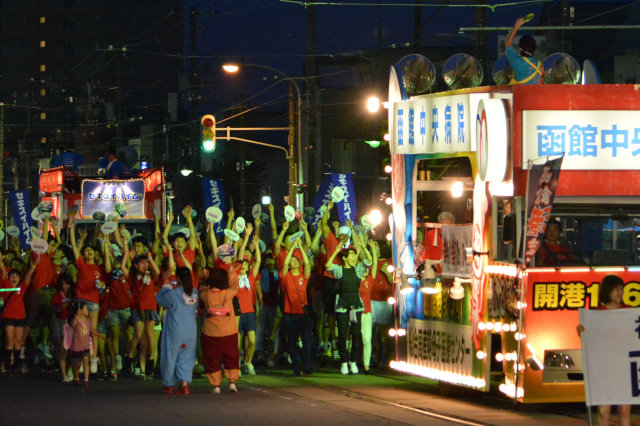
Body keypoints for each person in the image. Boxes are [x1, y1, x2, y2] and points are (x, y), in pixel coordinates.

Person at [577, 275, 631, 426]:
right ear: (608, 291)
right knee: (603, 410)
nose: (620, 293)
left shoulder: (629, 312)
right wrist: (580, 330)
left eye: (622, 290)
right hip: (603, 367)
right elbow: (589, 337)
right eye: (617, 290)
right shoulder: (596, 314)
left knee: (624, 409)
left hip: (624, 367)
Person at [326, 233, 372, 375]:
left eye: (354, 255)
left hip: (356, 305)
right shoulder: (339, 270)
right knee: (343, 335)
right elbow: (328, 265)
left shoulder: (358, 269)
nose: (353, 257)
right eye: (350, 255)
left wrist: (363, 246)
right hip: (342, 305)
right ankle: (344, 362)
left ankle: (353, 361)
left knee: (356, 334)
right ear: (345, 258)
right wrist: (336, 251)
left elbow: (369, 262)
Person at [156, 267, 199, 395]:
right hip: (191, 331)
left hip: (175, 330)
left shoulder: (173, 294)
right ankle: (184, 385)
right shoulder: (195, 293)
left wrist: (166, 286)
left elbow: (159, 299)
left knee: (170, 356)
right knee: (187, 356)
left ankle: (169, 385)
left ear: (178, 279)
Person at [200, 268, 240, 394]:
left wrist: (204, 278)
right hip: (229, 331)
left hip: (211, 332)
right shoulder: (228, 293)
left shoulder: (206, 295)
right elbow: (235, 285)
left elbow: (201, 289)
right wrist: (232, 273)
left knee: (212, 358)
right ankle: (232, 382)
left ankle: (216, 385)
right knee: (231, 356)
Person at [280, 238, 312, 376]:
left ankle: (307, 366)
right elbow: (285, 263)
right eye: (292, 261)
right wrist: (293, 247)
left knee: (306, 341)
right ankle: (296, 367)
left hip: (302, 313)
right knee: (292, 342)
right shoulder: (286, 277)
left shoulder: (304, 277)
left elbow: (307, 263)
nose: (293, 262)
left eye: (295, 261)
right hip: (289, 313)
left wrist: (301, 248)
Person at [1, 253, 37, 374]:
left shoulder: (22, 287)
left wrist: (34, 265)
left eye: (16, 276)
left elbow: (28, 275)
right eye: (12, 276)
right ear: (9, 277)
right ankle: (7, 364)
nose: (14, 278)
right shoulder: (6, 284)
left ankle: (16, 365)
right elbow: (2, 269)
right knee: (9, 340)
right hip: (8, 317)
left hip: (20, 318)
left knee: (18, 342)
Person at [505, 17, 543, 85]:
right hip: (537, 95)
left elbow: (508, 44)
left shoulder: (517, 62)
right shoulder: (540, 66)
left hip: (521, 94)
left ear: (520, 48)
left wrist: (516, 26)